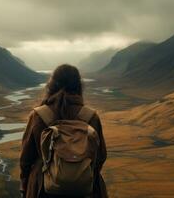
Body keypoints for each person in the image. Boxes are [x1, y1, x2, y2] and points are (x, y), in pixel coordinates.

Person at [19, 64, 108, 198]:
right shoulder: (91, 117)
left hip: (42, 190)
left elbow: (25, 160)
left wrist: (25, 184)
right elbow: (101, 156)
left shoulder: (38, 116)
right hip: (85, 192)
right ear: (79, 86)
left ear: (51, 85)